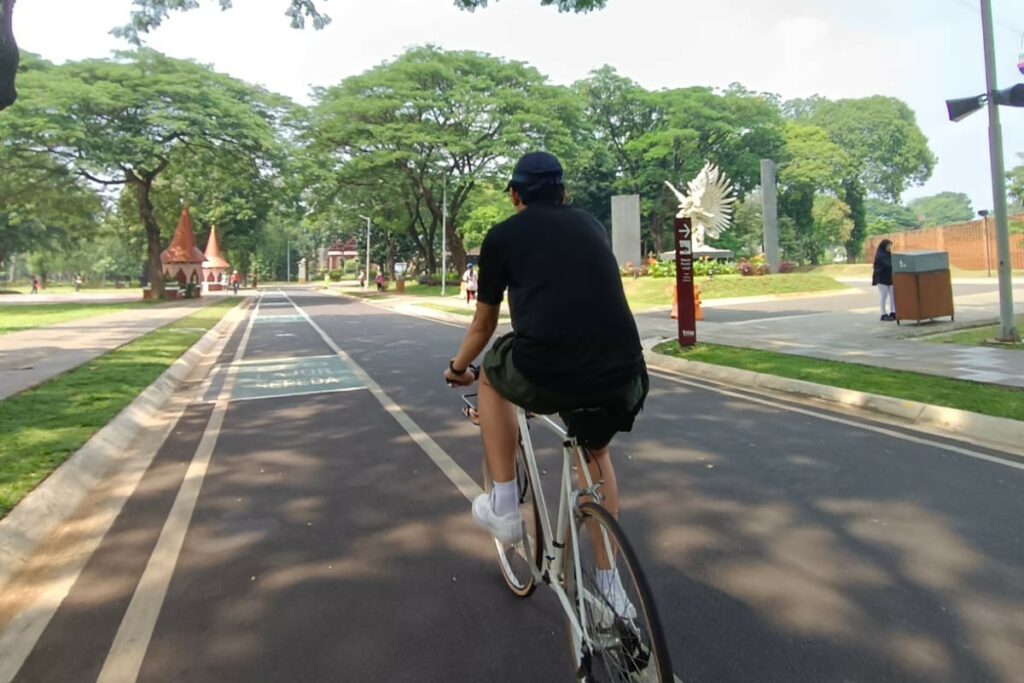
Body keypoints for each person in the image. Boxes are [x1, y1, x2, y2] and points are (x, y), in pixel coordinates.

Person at [443, 151, 648, 611]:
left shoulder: (502, 238)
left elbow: (482, 327)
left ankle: (502, 506)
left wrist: (459, 368)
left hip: (550, 369)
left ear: (515, 196)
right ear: (564, 194)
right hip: (624, 371)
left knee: (494, 373)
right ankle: (612, 589)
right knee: (595, 455)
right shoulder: (591, 225)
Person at [872, 239, 895, 321]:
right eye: (889, 245)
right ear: (884, 246)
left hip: (889, 277)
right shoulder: (880, 255)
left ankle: (893, 312)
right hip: (881, 278)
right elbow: (889, 264)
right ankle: (883, 313)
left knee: (893, 295)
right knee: (883, 296)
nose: (890, 247)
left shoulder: (888, 254)